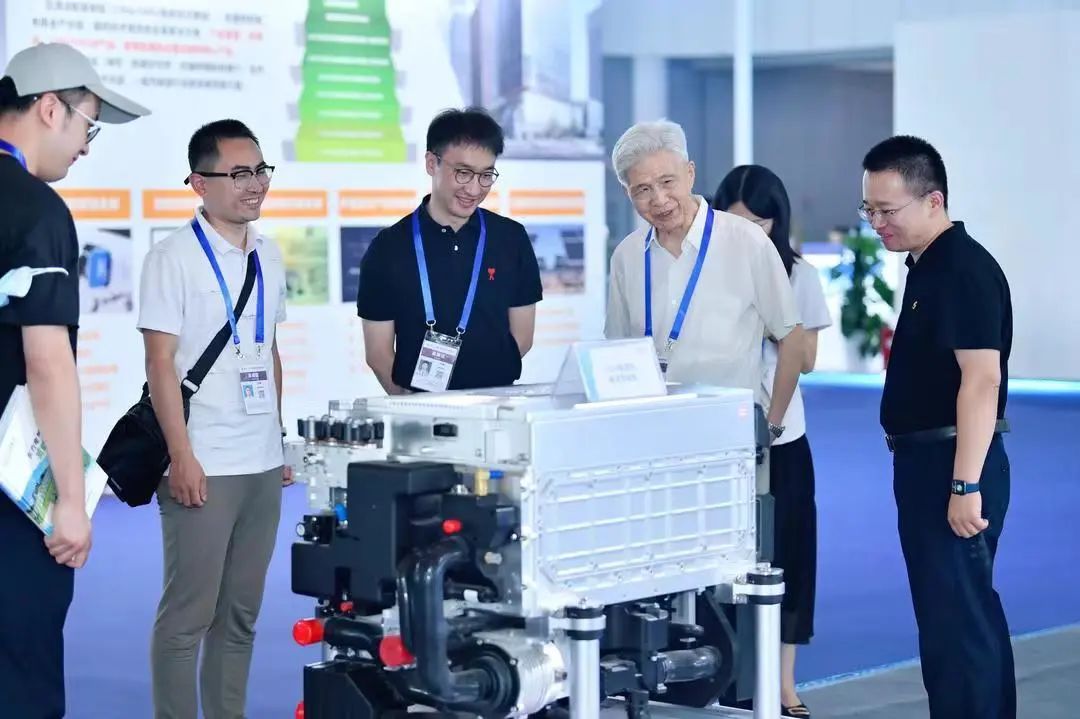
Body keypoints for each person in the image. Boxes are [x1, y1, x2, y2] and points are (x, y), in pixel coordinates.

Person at [0, 42, 149, 719]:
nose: (87, 145)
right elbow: (48, 362)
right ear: (48, 108)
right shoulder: (35, 210)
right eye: (88, 124)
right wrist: (69, 500)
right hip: (10, 501)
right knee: (21, 676)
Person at [137, 119, 293, 719]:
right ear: (199, 183)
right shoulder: (171, 258)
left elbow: (269, 351)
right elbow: (160, 363)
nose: (255, 184)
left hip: (260, 461)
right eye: (239, 173)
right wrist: (180, 455)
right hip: (202, 461)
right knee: (188, 618)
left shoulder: (269, 254)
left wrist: (278, 439)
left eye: (260, 170)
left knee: (240, 617)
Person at [863, 135, 1015, 719]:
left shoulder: (961, 269)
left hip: (952, 465)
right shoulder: (928, 265)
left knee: (960, 628)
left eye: (887, 210)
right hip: (928, 463)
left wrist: (963, 483)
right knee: (952, 622)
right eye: (869, 210)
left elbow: (981, 381)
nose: (877, 223)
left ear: (933, 200)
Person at [714, 165, 831, 719]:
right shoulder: (704, 275)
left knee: (789, 558)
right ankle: (726, 679)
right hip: (719, 440)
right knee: (724, 564)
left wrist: (771, 318)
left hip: (783, 438)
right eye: (738, 222)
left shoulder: (798, 274)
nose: (751, 234)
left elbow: (806, 359)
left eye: (761, 223)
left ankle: (783, 684)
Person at [605, 120, 804, 439]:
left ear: (690, 174)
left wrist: (772, 426)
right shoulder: (626, 256)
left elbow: (791, 337)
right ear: (627, 193)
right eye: (642, 189)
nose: (659, 199)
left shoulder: (746, 241)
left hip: (729, 432)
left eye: (667, 181)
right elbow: (617, 347)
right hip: (651, 432)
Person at [357, 108, 542, 394]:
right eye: (463, 173)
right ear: (432, 163)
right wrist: (415, 407)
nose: (474, 189)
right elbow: (378, 353)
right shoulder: (389, 247)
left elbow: (522, 337)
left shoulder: (511, 238)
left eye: (486, 175)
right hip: (421, 409)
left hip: (498, 404)